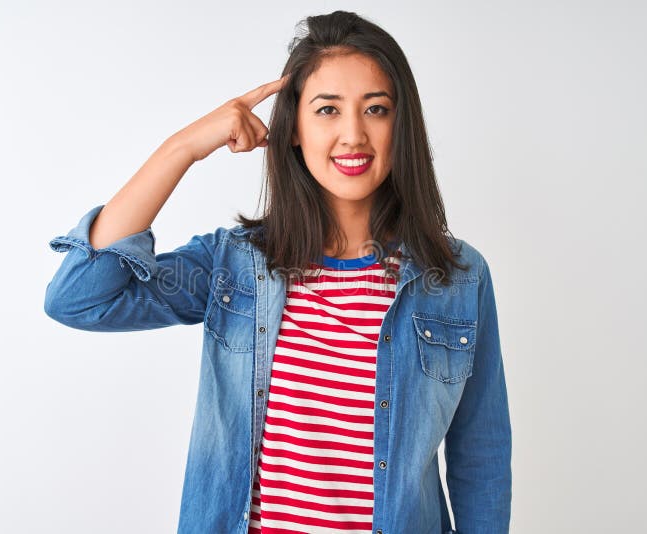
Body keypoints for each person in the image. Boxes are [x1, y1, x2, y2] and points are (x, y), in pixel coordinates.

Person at [44, 10, 511, 534]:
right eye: (328, 109)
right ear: (294, 129)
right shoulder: (235, 266)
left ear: (400, 124)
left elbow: (481, 459)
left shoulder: (458, 278)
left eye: (375, 109)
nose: (353, 134)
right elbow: (80, 298)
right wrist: (183, 148)